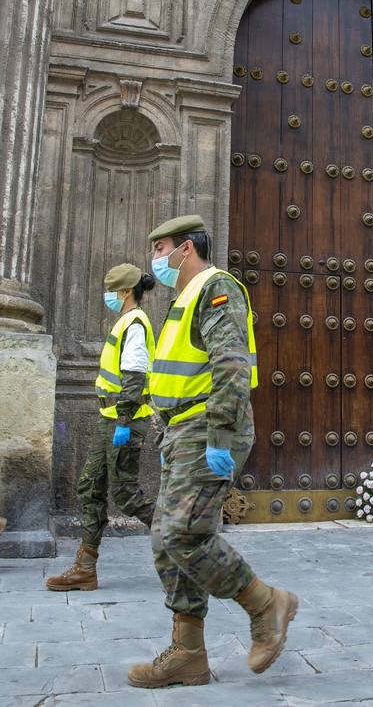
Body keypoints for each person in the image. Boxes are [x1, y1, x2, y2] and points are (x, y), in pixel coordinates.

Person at [127, 215, 298, 689]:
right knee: (166, 540)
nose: (155, 260)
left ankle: (267, 605)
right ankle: (187, 653)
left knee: (183, 534)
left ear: (186, 249)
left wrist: (220, 434)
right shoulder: (182, 299)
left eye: (160, 249)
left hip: (209, 425)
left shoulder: (216, 287)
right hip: (181, 429)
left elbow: (230, 363)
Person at [47, 264, 157, 592]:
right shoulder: (125, 322)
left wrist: (124, 421)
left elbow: (135, 377)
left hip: (124, 420)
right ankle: (84, 568)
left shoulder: (135, 323)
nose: (107, 296)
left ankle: (184, 543)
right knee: (90, 486)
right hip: (109, 419)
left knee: (125, 493)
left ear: (125, 292)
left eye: (111, 290)